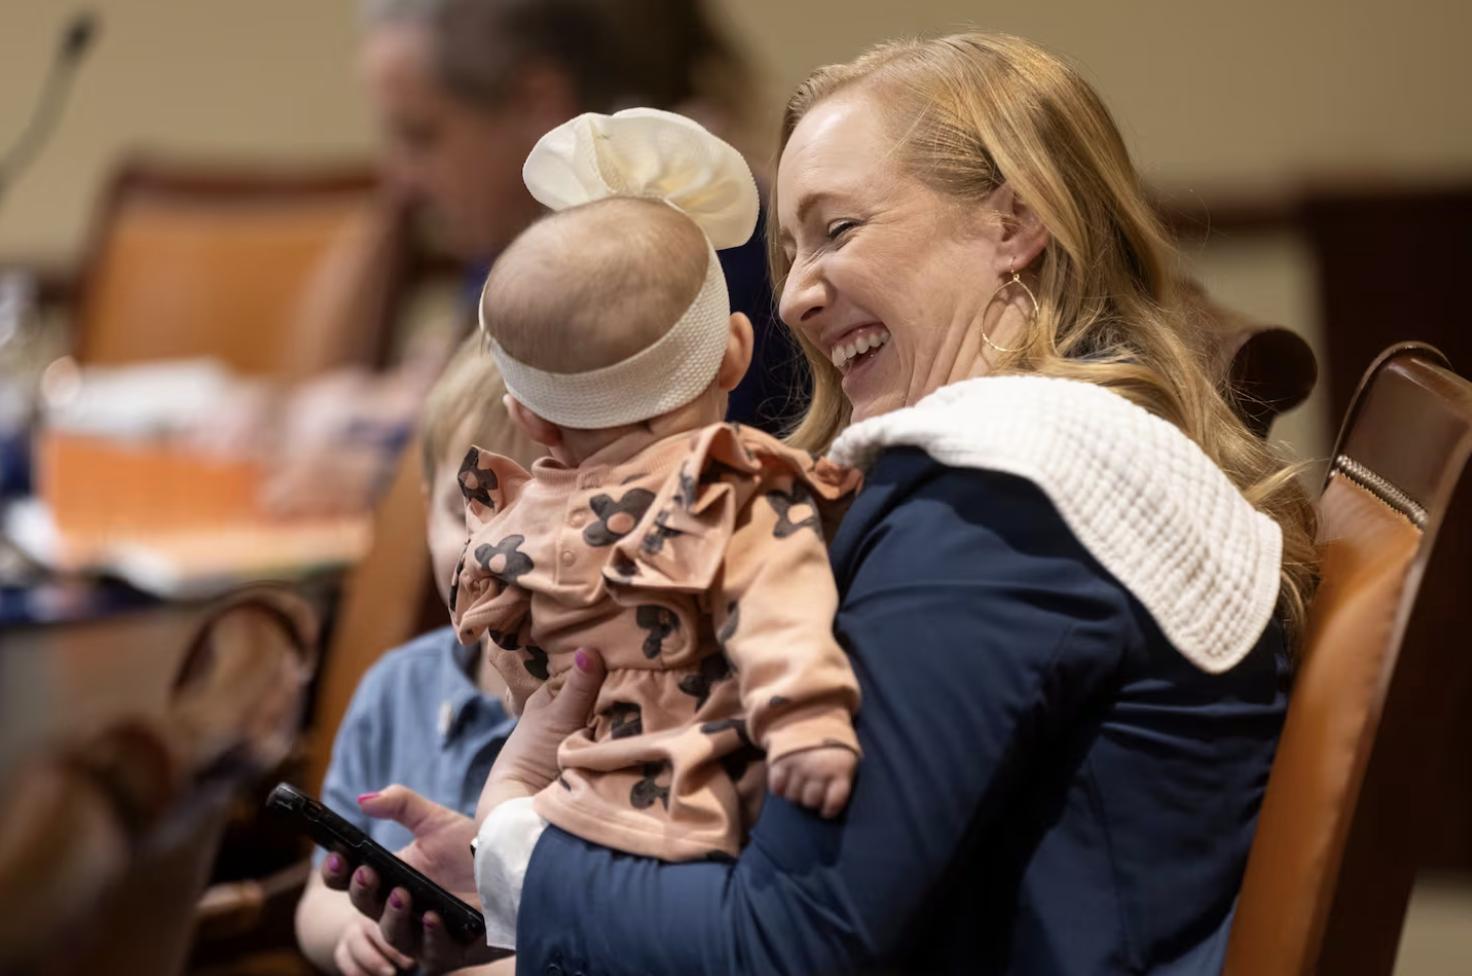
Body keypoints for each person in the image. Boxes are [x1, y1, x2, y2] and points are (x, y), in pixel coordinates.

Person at [326, 32, 1320, 975]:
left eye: (837, 229)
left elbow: (790, 940)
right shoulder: (1023, 475)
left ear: (1013, 224)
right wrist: (501, 886)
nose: (797, 294)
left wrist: (515, 849)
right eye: (790, 250)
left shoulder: (1005, 500)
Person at [450, 111, 862, 930]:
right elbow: (780, 603)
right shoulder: (728, 487)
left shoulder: (514, 528)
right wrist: (808, 721)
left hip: (554, 824)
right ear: (737, 352)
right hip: (688, 825)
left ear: (525, 420)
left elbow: (529, 679)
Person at [357, 0, 801, 432]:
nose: (403, 181)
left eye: (421, 136)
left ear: (535, 100)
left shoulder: (682, 244)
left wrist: (374, 471)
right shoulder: (530, 238)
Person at [293, 337, 536, 976]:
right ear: (425, 506)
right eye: (463, 511)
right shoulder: (395, 688)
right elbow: (319, 891)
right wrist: (347, 932)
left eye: (528, 511)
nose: (488, 546)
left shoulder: (615, 709)